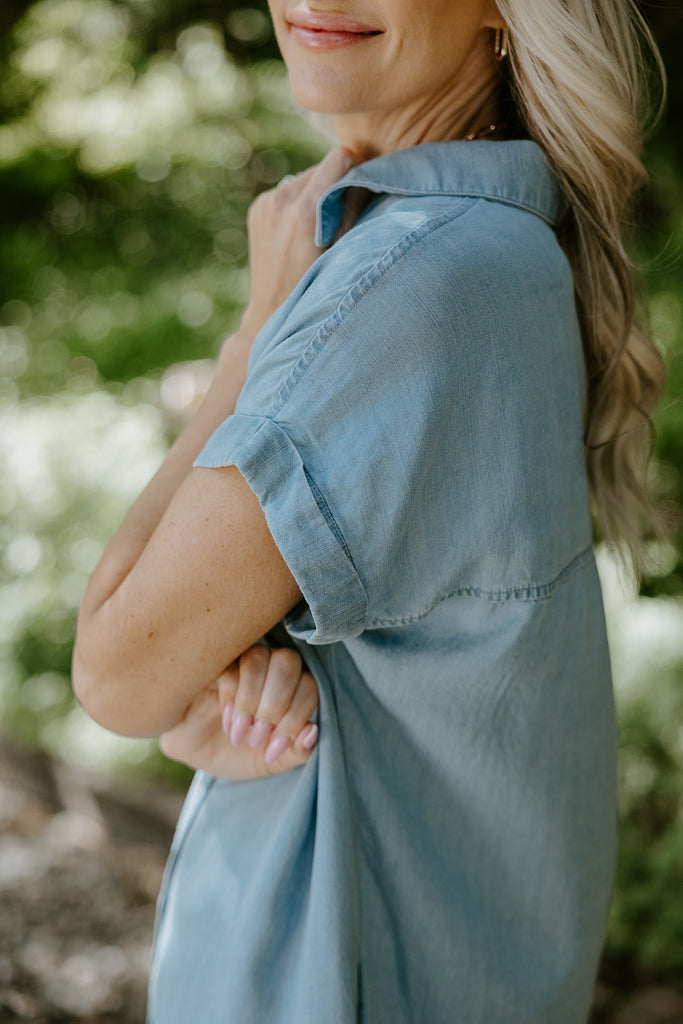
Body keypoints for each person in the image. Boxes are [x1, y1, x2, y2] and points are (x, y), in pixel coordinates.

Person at [72, 0, 667, 1020]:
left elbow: (115, 671)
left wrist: (251, 337)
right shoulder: (503, 253)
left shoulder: (410, 287)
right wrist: (217, 701)